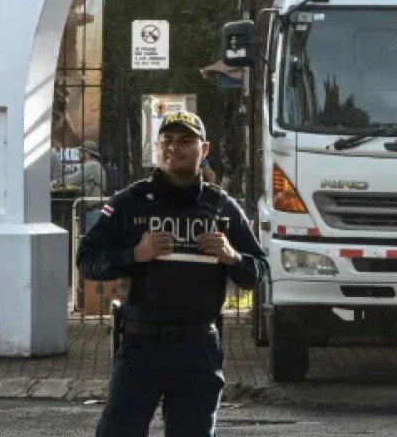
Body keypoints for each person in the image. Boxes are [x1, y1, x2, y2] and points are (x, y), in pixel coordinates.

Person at [77, 110, 265, 437]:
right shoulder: (129, 203)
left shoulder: (221, 207)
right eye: (167, 140)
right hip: (141, 344)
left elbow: (258, 271)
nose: (173, 148)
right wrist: (135, 254)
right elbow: (87, 260)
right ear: (157, 147)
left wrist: (232, 257)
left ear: (204, 150)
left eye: (185, 141)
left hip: (197, 346)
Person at [64, 147, 107, 233]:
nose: (78, 155)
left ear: (86, 153)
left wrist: (58, 179)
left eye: (80, 153)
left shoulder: (90, 166)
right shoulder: (95, 165)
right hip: (96, 209)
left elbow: (72, 179)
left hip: (94, 210)